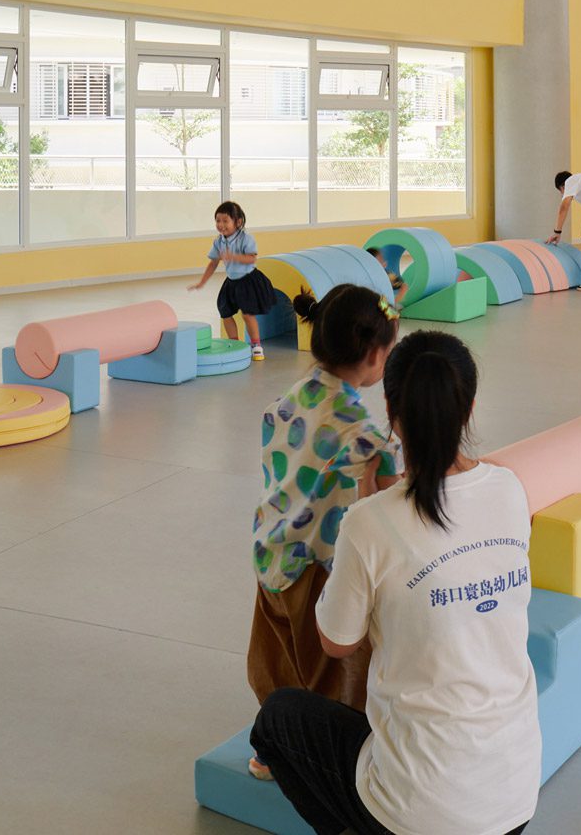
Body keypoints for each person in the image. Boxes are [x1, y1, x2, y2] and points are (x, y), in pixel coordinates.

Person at [249, 331, 541, 835]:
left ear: (389, 407)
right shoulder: (511, 489)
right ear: (468, 407)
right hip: (514, 796)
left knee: (277, 717)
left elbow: (336, 643)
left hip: (419, 813)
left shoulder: (370, 521)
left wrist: (362, 508)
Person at [246, 285, 401, 780]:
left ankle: (268, 747)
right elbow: (393, 497)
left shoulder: (288, 398)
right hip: (316, 563)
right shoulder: (361, 430)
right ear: (377, 355)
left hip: (270, 551)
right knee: (328, 671)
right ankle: (315, 759)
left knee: (274, 658)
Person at [188, 201, 268, 360]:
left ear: (237, 222)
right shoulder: (219, 241)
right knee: (225, 312)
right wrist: (202, 282)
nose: (221, 225)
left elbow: (252, 258)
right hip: (232, 281)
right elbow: (213, 263)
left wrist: (234, 256)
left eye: (225, 221)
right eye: (218, 220)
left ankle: (256, 345)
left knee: (247, 314)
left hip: (248, 280)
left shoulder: (246, 238)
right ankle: (235, 343)